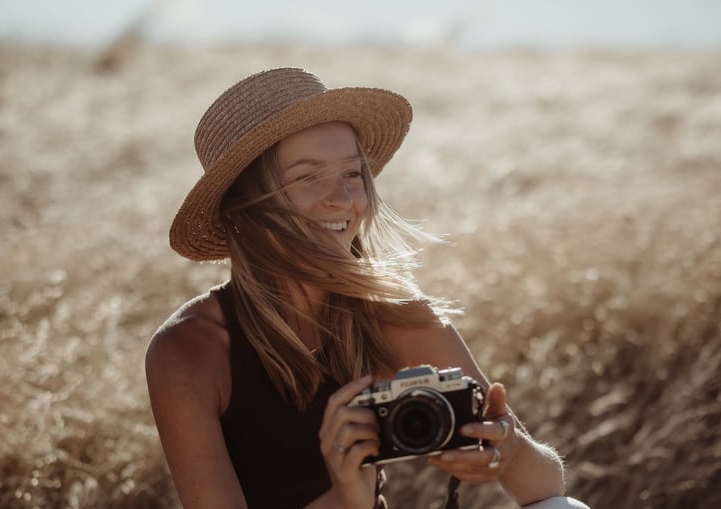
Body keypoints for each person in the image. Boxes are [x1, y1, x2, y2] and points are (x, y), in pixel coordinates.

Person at [146, 67, 588, 509]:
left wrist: (506, 451)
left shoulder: (394, 313)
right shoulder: (189, 352)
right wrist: (343, 500)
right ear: (246, 208)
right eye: (307, 177)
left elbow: (546, 487)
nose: (343, 198)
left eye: (353, 173)